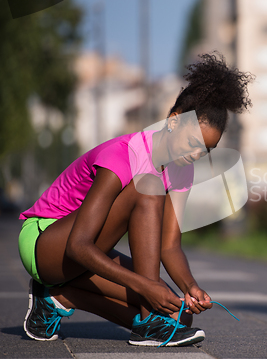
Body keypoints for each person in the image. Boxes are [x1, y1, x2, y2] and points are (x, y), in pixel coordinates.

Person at [18, 53, 254, 347]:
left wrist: (190, 287)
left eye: (206, 150)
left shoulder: (183, 171)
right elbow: (79, 245)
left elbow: (169, 246)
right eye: (194, 142)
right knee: (148, 187)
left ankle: (59, 297)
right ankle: (146, 323)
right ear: (173, 120)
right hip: (46, 243)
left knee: (179, 318)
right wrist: (146, 286)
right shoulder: (122, 154)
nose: (196, 155)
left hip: (85, 251)